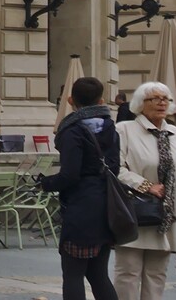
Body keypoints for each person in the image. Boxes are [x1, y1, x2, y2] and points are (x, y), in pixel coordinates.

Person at [114, 81, 176, 300]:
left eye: (165, 99)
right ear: (141, 104)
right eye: (155, 98)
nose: (162, 103)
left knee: (157, 274)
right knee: (128, 273)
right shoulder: (124, 130)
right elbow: (114, 168)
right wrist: (145, 185)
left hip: (168, 215)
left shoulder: (175, 133)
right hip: (135, 213)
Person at [41, 74, 120, 300]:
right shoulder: (110, 128)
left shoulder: (72, 131)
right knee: (98, 274)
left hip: (81, 209)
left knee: (73, 274)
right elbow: (114, 167)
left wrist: (46, 183)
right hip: (106, 206)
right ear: (102, 101)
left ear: (69, 100)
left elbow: (70, 174)